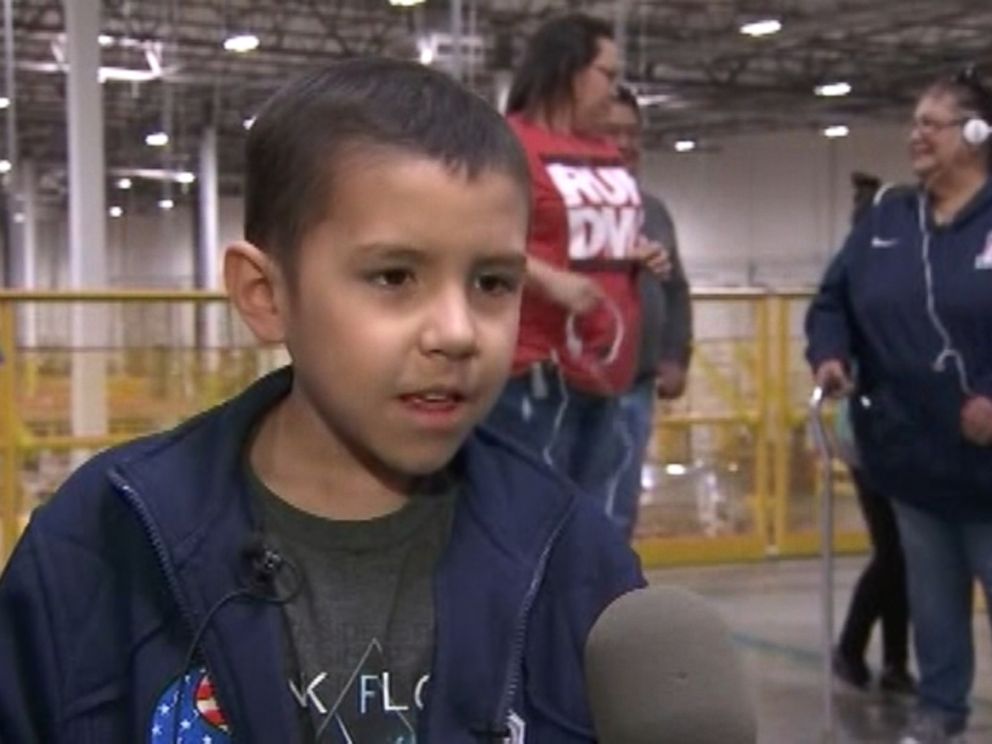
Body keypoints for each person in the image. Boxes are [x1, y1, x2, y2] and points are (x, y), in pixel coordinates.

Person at [0, 59, 645, 743]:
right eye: (395, 276)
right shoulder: (103, 541)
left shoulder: (575, 559)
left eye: (492, 282)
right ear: (265, 294)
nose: (458, 333)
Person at [806, 68, 992, 744]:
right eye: (912, 122)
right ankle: (940, 713)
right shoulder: (887, 220)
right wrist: (831, 355)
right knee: (933, 602)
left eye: (931, 124)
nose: (915, 135)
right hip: (910, 458)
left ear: (975, 135)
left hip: (987, 464)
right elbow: (833, 302)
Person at [485, 13, 669, 526]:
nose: (615, 90)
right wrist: (548, 279)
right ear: (569, 69)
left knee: (600, 535)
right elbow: (465, 238)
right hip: (534, 374)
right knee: (530, 535)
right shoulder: (506, 145)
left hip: (609, 376)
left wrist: (630, 252)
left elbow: (583, 235)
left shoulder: (605, 151)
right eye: (607, 75)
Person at [828, 172, 915, 696]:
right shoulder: (866, 280)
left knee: (902, 552)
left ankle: (894, 662)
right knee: (895, 551)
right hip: (871, 432)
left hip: (900, 431)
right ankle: (855, 649)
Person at [605, 85, 693, 541]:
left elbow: (676, 290)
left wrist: (675, 355)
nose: (626, 144)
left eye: (632, 133)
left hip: (636, 387)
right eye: (612, 132)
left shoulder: (654, 211)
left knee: (620, 516)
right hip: (575, 391)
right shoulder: (561, 209)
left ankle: (605, 607)